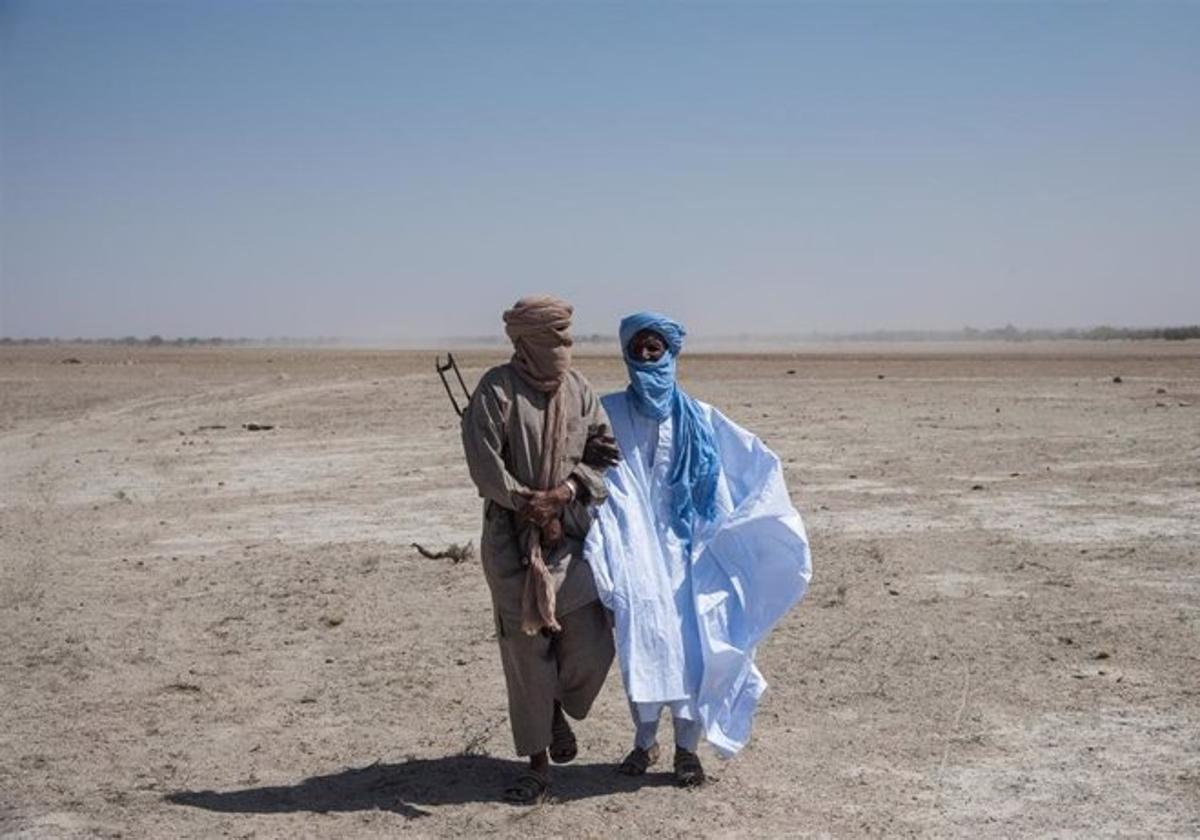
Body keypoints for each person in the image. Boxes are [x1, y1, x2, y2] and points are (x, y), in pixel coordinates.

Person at [585, 312, 812, 786]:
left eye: (656, 349)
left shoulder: (703, 417)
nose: (647, 357)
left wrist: (739, 529)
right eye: (638, 349)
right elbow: (576, 462)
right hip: (634, 554)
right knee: (641, 645)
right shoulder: (604, 416)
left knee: (694, 652)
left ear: (672, 353)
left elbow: (758, 466)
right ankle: (644, 742)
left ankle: (687, 750)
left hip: (692, 556)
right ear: (626, 354)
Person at [460, 295, 621, 804]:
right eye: (554, 340)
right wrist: (527, 503)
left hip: (570, 535)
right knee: (526, 652)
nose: (564, 348)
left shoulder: (578, 389)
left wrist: (565, 493)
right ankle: (537, 764)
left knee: (592, 643)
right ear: (526, 342)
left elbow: (604, 454)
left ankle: (557, 707)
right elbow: (484, 466)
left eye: (568, 339)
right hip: (513, 544)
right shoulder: (496, 390)